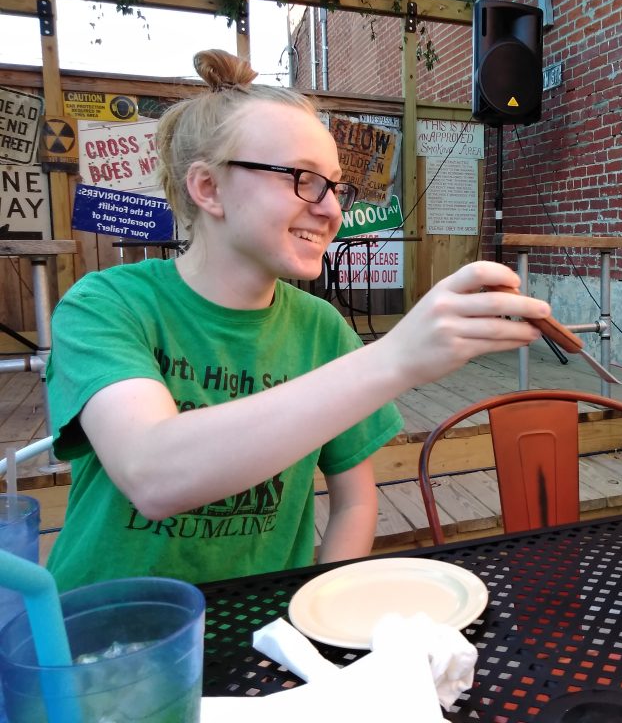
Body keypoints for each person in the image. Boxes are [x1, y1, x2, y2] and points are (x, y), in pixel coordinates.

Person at [44, 49, 549, 591]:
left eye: (335, 186)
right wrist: (395, 358)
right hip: (97, 641)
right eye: (303, 179)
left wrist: (314, 625)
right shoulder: (106, 304)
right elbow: (152, 473)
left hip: (265, 635)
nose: (332, 209)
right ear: (208, 188)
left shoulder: (321, 328)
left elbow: (354, 502)